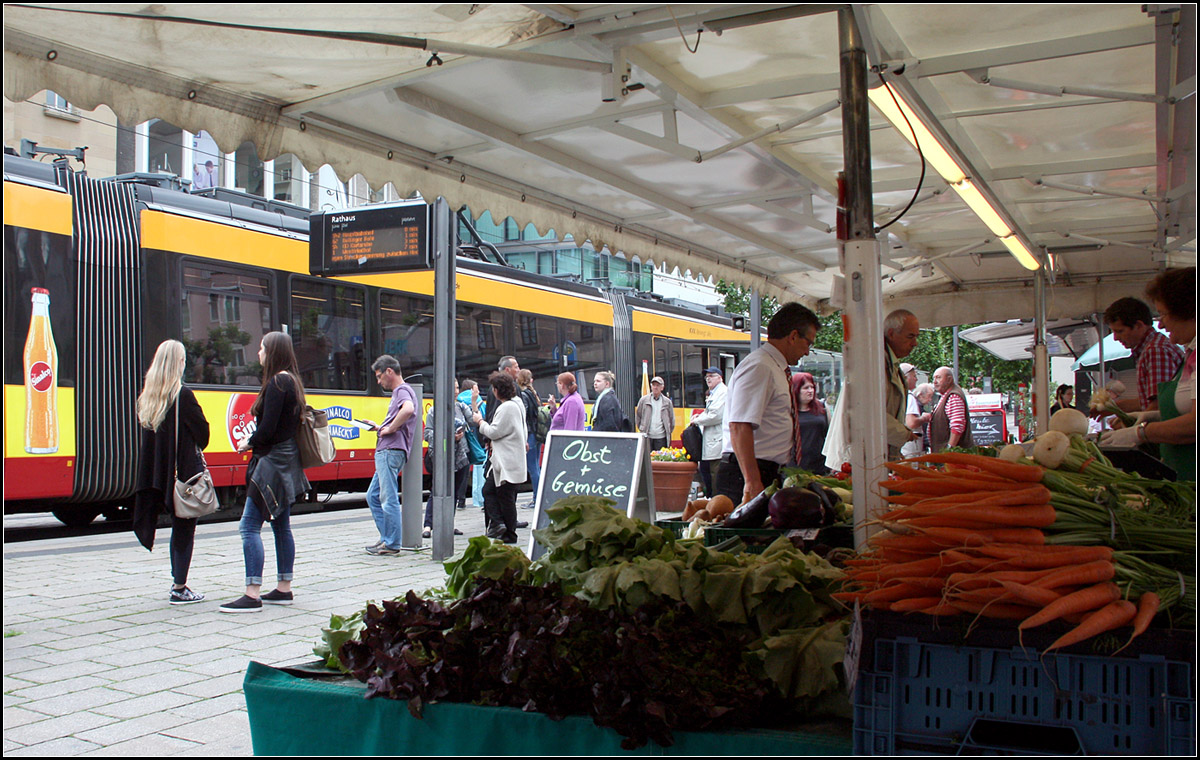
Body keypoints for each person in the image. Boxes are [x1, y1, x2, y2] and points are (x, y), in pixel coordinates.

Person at [221, 332, 310, 613]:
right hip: (287, 460)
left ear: (272, 352)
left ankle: (252, 593)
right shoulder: (292, 381)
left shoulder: (276, 382)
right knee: (281, 525)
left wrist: (248, 442)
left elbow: (268, 429)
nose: (258, 353)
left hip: (271, 463)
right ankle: (284, 588)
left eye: (261, 348)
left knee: (248, 526)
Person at [716, 302, 821, 506]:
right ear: (793, 336)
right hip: (747, 473)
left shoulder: (775, 367)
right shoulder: (760, 367)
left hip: (765, 470)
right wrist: (752, 480)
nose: (807, 352)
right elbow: (739, 425)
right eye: (808, 343)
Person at [133, 340, 210, 605]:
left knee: (178, 528)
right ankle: (179, 587)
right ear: (178, 363)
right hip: (182, 474)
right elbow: (204, 434)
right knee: (184, 529)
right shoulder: (183, 395)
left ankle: (178, 584)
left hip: (157, 473)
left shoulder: (148, 396)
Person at [1101, 267, 1195, 480]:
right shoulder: (1191, 352)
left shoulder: (1157, 350)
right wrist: (1149, 416)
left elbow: (1194, 424)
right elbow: (1183, 406)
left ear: (1188, 312)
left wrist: (1141, 432)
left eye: (1164, 314)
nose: (1161, 323)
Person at [360, 355, 419, 555]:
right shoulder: (403, 391)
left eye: (379, 376)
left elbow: (408, 410)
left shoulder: (401, 390)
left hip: (389, 450)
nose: (378, 381)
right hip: (392, 449)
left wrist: (390, 429)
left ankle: (392, 542)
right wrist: (379, 427)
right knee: (373, 495)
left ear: (389, 372)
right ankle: (387, 538)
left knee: (387, 497)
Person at [1104, 296, 1184, 413]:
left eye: (1120, 331)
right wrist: (1116, 409)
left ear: (1139, 325)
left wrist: (1135, 428)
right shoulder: (1151, 348)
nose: (1116, 338)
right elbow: (1149, 402)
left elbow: (1159, 406)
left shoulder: (1156, 350)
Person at [474, 371, 527, 543]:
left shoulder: (507, 408)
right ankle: (503, 529)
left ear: (497, 391)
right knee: (502, 495)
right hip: (510, 458)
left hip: (506, 460)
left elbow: (494, 431)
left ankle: (504, 529)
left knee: (499, 495)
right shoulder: (517, 403)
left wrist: (480, 422)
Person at [422, 379, 469, 538]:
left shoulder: (461, 407)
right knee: (437, 490)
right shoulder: (434, 411)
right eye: (453, 388)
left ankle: (449, 524)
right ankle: (428, 526)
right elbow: (427, 434)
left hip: (460, 457)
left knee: (454, 493)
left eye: (457, 387)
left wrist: (475, 402)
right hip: (441, 457)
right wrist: (449, 436)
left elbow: (474, 421)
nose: (456, 391)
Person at [884, 310, 922, 457]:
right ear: (892, 333)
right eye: (910, 336)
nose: (915, 343)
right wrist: (904, 434)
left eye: (916, 337)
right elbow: (872, 413)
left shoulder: (891, 364)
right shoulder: (876, 363)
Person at [690, 367, 727, 498]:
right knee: (709, 473)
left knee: (715, 475)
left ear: (720, 378)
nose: (708, 378)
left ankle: (716, 501)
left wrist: (698, 420)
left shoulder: (722, 392)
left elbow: (715, 415)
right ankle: (712, 498)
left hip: (717, 441)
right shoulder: (714, 393)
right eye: (707, 376)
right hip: (712, 441)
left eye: (712, 376)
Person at [790, 371, 829, 473]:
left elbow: (831, 435)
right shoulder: (788, 412)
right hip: (795, 466)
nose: (810, 391)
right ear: (796, 390)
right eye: (806, 388)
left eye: (812, 387)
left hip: (820, 464)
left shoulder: (822, 408)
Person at [929, 366, 974, 452]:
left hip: (952, 454)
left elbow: (957, 425)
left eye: (938, 377)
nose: (935, 382)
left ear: (949, 379)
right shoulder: (947, 395)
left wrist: (950, 448)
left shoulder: (954, 396)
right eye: (933, 378)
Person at [517, 369, 542, 493]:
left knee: (532, 468)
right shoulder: (533, 394)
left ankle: (537, 498)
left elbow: (523, 414)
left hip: (530, 434)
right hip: (537, 433)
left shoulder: (523, 395)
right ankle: (538, 496)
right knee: (536, 466)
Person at [636, 376, 675, 452]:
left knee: (660, 461)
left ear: (662, 388)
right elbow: (638, 416)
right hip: (647, 437)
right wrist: (642, 429)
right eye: (653, 385)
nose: (655, 387)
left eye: (658, 385)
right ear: (651, 387)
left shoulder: (667, 402)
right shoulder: (644, 400)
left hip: (661, 438)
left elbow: (671, 419)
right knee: (647, 461)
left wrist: (668, 430)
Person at [902, 382, 935, 457]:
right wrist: (924, 418)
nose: (930, 400)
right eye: (929, 396)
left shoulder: (918, 404)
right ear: (920, 395)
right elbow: (912, 423)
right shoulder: (912, 400)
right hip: (911, 448)